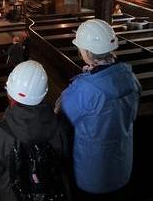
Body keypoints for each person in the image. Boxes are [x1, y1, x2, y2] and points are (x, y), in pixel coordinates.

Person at [57, 19, 141, 201]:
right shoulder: (130, 78)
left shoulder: (85, 88)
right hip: (122, 163)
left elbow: (62, 112)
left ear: (86, 53)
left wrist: (86, 80)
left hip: (93, 172)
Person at [0, 60, 72, 201]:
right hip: (52, 193)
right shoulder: (59, 126)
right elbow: (63, 159)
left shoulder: (1, 131)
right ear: (44, 93)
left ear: (10, 92)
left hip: (14, 195)